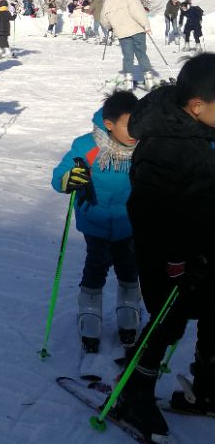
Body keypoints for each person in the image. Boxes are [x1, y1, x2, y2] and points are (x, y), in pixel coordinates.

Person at [111, 54, 215, 444]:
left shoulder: (205, 129)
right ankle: (134, 396)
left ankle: (206, 389)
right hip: (169, 259)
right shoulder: (165, 146)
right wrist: (174, 260)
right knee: (167, 324)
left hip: (207, 249)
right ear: (197, 106)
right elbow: (147, 211)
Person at [51, 90, 141, 354]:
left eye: (139, 123)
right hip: (96, 222)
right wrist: (69, 178)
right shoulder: (88, 146)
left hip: (129, 223)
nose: (135, 131)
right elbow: (59, 177)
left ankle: (129, 312)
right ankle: (89, 316)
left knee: (129, 267)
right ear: (110, 124)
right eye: (129, 125)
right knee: (96, 266)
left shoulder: (145, 147)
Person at [100, 0, 155, 88]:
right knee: (141, 54)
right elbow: (138, 11)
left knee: (128, 56)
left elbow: (103, 19)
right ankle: (149, 80)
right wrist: (146, 25)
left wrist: (110, 26)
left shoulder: (108, 1)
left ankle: (128, 82)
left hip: (122, 33)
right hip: (137, 30)